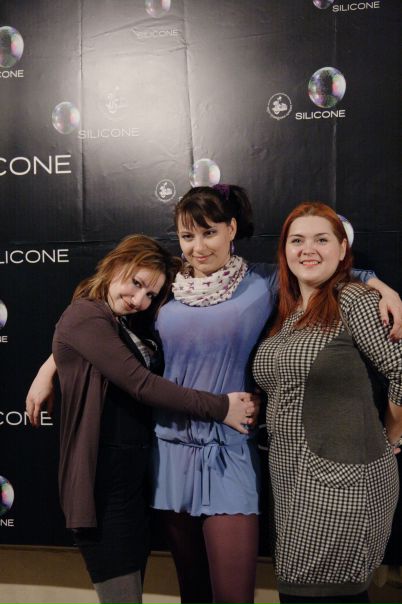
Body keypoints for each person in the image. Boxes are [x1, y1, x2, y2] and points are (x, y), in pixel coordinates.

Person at [27, 187, 402, 604]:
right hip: (170, 451)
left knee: (233, 595)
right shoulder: (167, 286)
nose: (198, 247)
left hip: (230, 449)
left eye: (209, 233)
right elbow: (102, 332)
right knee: (193, 591)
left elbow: (326, 271)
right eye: (187, 236)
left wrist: (381, 286)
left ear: (232, 229)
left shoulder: (262, 280)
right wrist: (50, 366)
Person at [35, 233, 258, 604]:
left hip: (135, 488)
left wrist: (49, 366)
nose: (139, 300)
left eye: (151, 294)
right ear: (116, 264)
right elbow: (140, 384)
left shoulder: (126, 321)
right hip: (102, 493)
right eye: (136, 283)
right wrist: (220, 407)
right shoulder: (85, 314)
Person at [252, 202, 402, 604]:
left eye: (321, 240)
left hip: (344, 481)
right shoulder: (287, 313)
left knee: (324, 595)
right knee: (298, 594)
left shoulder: (353, 299)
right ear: (284, 250)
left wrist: (393, 433)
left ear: (341, 249)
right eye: (297, 240)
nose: (308, 250)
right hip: (289, 481)